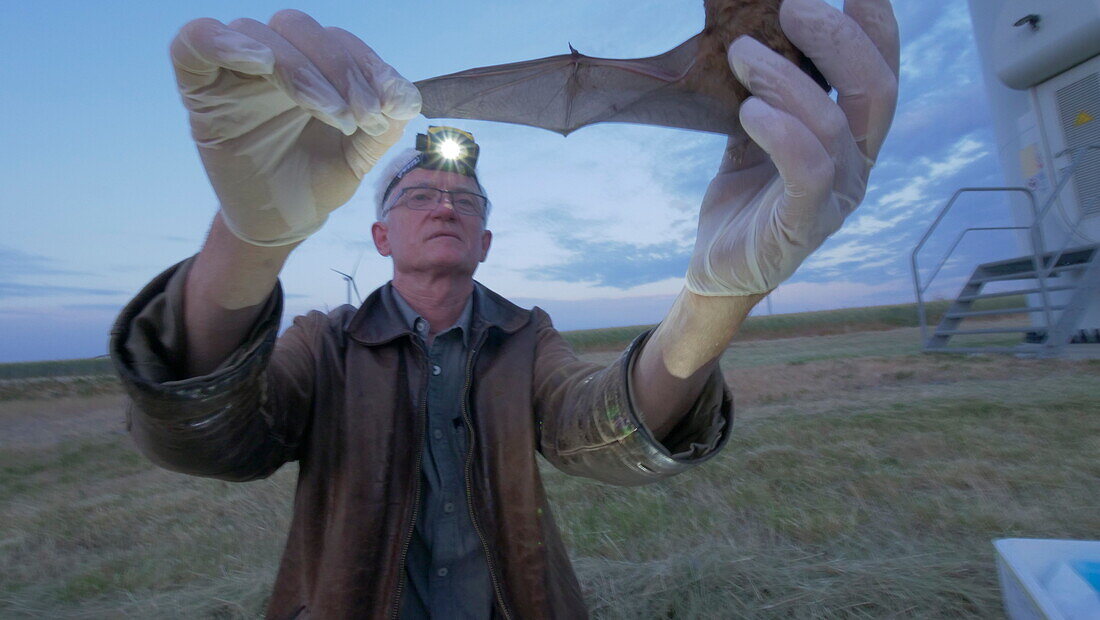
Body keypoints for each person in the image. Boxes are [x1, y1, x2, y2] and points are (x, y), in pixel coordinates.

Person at [109, 1, 899, 617]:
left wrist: (714, 300)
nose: (445, 203)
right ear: (381, 234)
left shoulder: (525, 338)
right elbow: (211, 443)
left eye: (465, 198)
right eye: (421, 194)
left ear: (487, 241)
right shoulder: (329, 346)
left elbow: (604, 434)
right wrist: (247, 243)